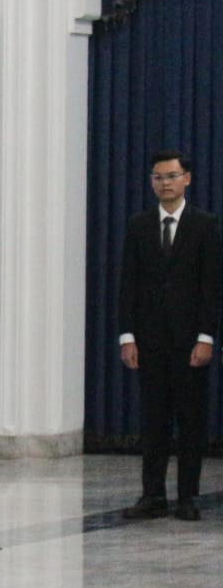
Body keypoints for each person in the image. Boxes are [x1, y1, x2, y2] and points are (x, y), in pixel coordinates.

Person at [119, 150, 223, 521]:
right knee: (153, 420)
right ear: (151, 182)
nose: (165, 183)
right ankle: (153, 495)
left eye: (172, 176)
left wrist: (206, 337)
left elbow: (212, 286)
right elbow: (127, 283)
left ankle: (188, 497)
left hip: (189, 340)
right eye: (158, 177)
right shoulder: (138, 225)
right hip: (149, 340)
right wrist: (127, 336)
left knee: (191, 419)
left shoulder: (205, 225)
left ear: (187, 179)